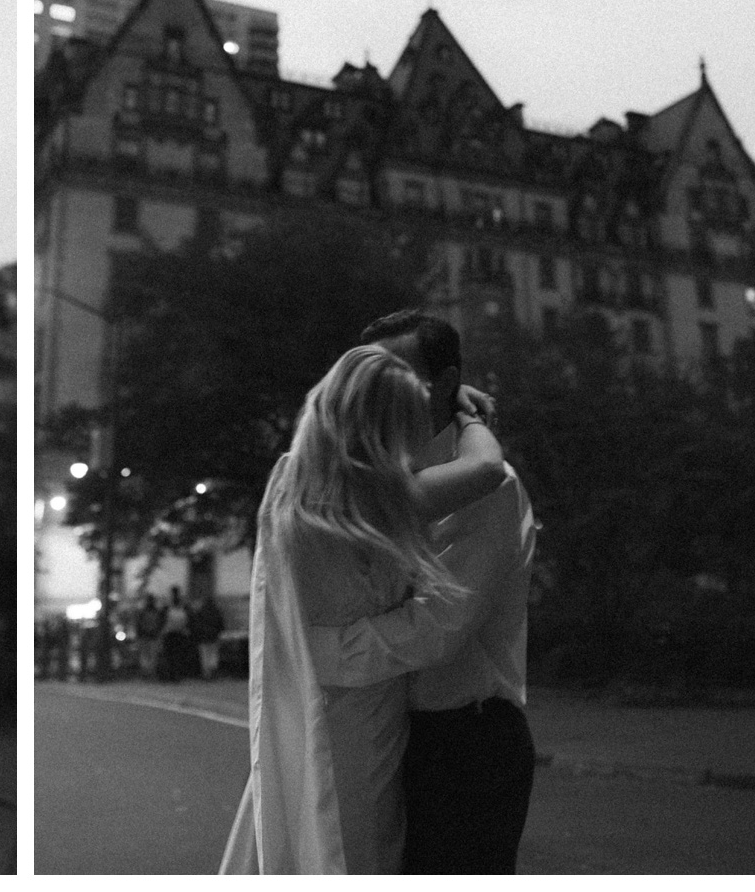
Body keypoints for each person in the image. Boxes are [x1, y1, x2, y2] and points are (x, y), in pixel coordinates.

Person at [220, 343, 505, 873]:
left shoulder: (296, 486)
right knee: (351, 846)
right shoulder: (375, 497)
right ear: (385, 424)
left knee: (301, 830)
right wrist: (465, 412)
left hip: (315, 696)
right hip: (359, 711)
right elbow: (488, 469)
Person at [305, 310, 538, 873]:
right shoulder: (382, 475)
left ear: (446, 380)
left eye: (400, 372)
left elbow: (437, 627)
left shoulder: (487, 486)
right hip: (397, 734)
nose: (386, 387)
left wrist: (321, 651)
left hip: (465, 740)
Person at [160, 587, 192, 682]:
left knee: (170, 656)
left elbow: (162, 619)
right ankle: (176, 675)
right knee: (178, 656)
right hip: (180, 634)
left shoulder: (168, 606)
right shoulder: (183, 605)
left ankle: (171, 675)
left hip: (170, 634)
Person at [190, 595, 225, 680]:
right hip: (214, 637)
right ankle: (213, 670)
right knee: (213, 655)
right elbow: (221, 624)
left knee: (205, 656)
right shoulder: (216, 612)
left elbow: (196, 624)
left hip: (203, 637)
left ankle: (206, 674)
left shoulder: (201, 612)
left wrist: (198, 633)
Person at [134, 593, 164, 679]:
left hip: (149, 635)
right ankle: (148, 672)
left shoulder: (149, 612)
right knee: (148, 655)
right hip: (148, 635)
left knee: (148, 655)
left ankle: (148, 672)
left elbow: (140, 624)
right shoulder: (148, 612)